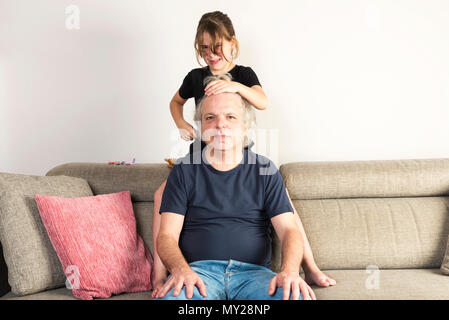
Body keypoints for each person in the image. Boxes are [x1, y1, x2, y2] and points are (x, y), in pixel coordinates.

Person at [152, 11, 335, 296]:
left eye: (217, 47)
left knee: (286, 208)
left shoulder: (244, 76)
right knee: (161, 197)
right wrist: (183, 125)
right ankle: (160, 273)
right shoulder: (195, 79)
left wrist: (235, 87)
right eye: (204, 49)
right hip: (201, 154)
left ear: (231, 43)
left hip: (255, 272)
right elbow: (176, 103)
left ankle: (307, 266)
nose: (211, 54)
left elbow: (261, 101)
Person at [156, 78, 315, 300]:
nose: (220, 124)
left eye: (230, 117)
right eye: (210, 118)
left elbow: (289, 231)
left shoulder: (265, 169)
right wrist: (181, 269)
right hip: (198, 275)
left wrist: (289, 271)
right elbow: (166, 236)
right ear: (202, 127)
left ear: (245, 126)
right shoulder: (184, 171)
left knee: (298, 297)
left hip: (255, 277)